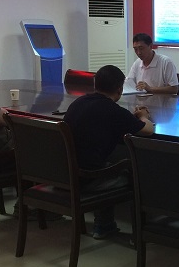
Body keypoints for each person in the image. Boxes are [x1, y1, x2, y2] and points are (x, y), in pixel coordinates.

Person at [64, 65, 155, 239]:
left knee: (105, 163)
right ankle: (135, 233)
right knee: (129, 173)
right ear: (120, 89)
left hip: (66, 172)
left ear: (95, 84)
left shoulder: (77, 103)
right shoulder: (113, 111)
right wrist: (144, 116)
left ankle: (104, 224)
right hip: (88, 178)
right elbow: (147, 130)